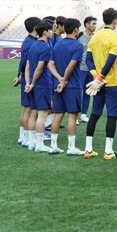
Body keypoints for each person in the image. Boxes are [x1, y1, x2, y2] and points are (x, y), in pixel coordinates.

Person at [83, 8, 117, 160]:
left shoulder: (95, 37)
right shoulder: (115, 38)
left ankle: (88, 149)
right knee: (112, 116)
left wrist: (95, 76)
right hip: (112, 81)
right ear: (115, 21)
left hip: (97, 83)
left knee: (95, 113)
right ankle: (108, 151)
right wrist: (100, 77)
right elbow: (111, 60)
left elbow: (88, 59)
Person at [47, 18, 86, 156]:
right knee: (72, 115)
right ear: (76, 29)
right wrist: (64, 81)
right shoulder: (78, 46)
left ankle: (53, 146)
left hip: (58, 84)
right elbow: (71, 65)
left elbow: (50, 64)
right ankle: (71, 147)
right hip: (72, 84)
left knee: (58, 115)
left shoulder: (57, 44)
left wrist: (59, 78)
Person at [24, 21, 58, 153]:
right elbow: (39, 68)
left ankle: (32, 142)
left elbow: (27, 66)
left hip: (33, 85)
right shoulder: (46, 47)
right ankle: (39, 143)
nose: (52, 32)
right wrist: (32, 83)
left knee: (33, 114)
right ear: (45, 32)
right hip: (42, 84)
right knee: (42, 116)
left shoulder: (33, 45)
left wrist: (28, 83)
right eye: (50, 30)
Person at [13, 16, 41, 147]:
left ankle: (22, 136)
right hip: (29, 78)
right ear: (36, 28)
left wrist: (19, 75)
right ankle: (26, 138)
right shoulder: (31, 43)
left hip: (25, 77)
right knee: (29, 109)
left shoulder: (28, 41)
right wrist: (23, 76)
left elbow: (22, 61)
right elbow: (25, 62)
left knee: (26, 108)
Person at [78, 16, 97, 123]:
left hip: (91, 69)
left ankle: (84, 114)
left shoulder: (95, 37)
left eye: (95, 24)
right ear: (86, 25)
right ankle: (75, 115)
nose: (95, 26)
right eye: (93, 24)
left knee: (88, 92)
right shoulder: (79, 36)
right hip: (80, 69)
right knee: (78, 92)